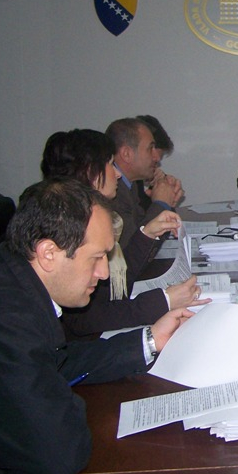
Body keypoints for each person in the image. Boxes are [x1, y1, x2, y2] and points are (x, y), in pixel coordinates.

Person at [0, 178, 194, 474]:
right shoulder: (8, 321)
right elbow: (59, 458)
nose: (103, 273)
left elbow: (57, 362)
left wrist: (151, 339)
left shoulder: (11, 275)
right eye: (97, 257)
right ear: (49, 253)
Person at [40, 129, 207, 340]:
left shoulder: (90, 214)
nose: (118, 174)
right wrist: (163, 301)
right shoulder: (67, 222)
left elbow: (116, 284)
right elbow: (84, 319)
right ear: (90, 171)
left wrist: (147, 235)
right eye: (111, 164)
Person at [106, 118, 184, 247]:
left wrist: (161, 189)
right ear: (126, 154)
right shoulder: (113, 192)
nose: (157, 158)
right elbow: (133, 249)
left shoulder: (131, 184)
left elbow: (140, 225)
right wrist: (161, 203)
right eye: (150, 148)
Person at [135, 114, 175, 211]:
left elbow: (143, 214)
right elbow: (138, 219)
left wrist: (159, 188)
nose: (156, 161)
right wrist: (161, 201)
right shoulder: (117, 185)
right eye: (153, 160)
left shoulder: (136, 180)